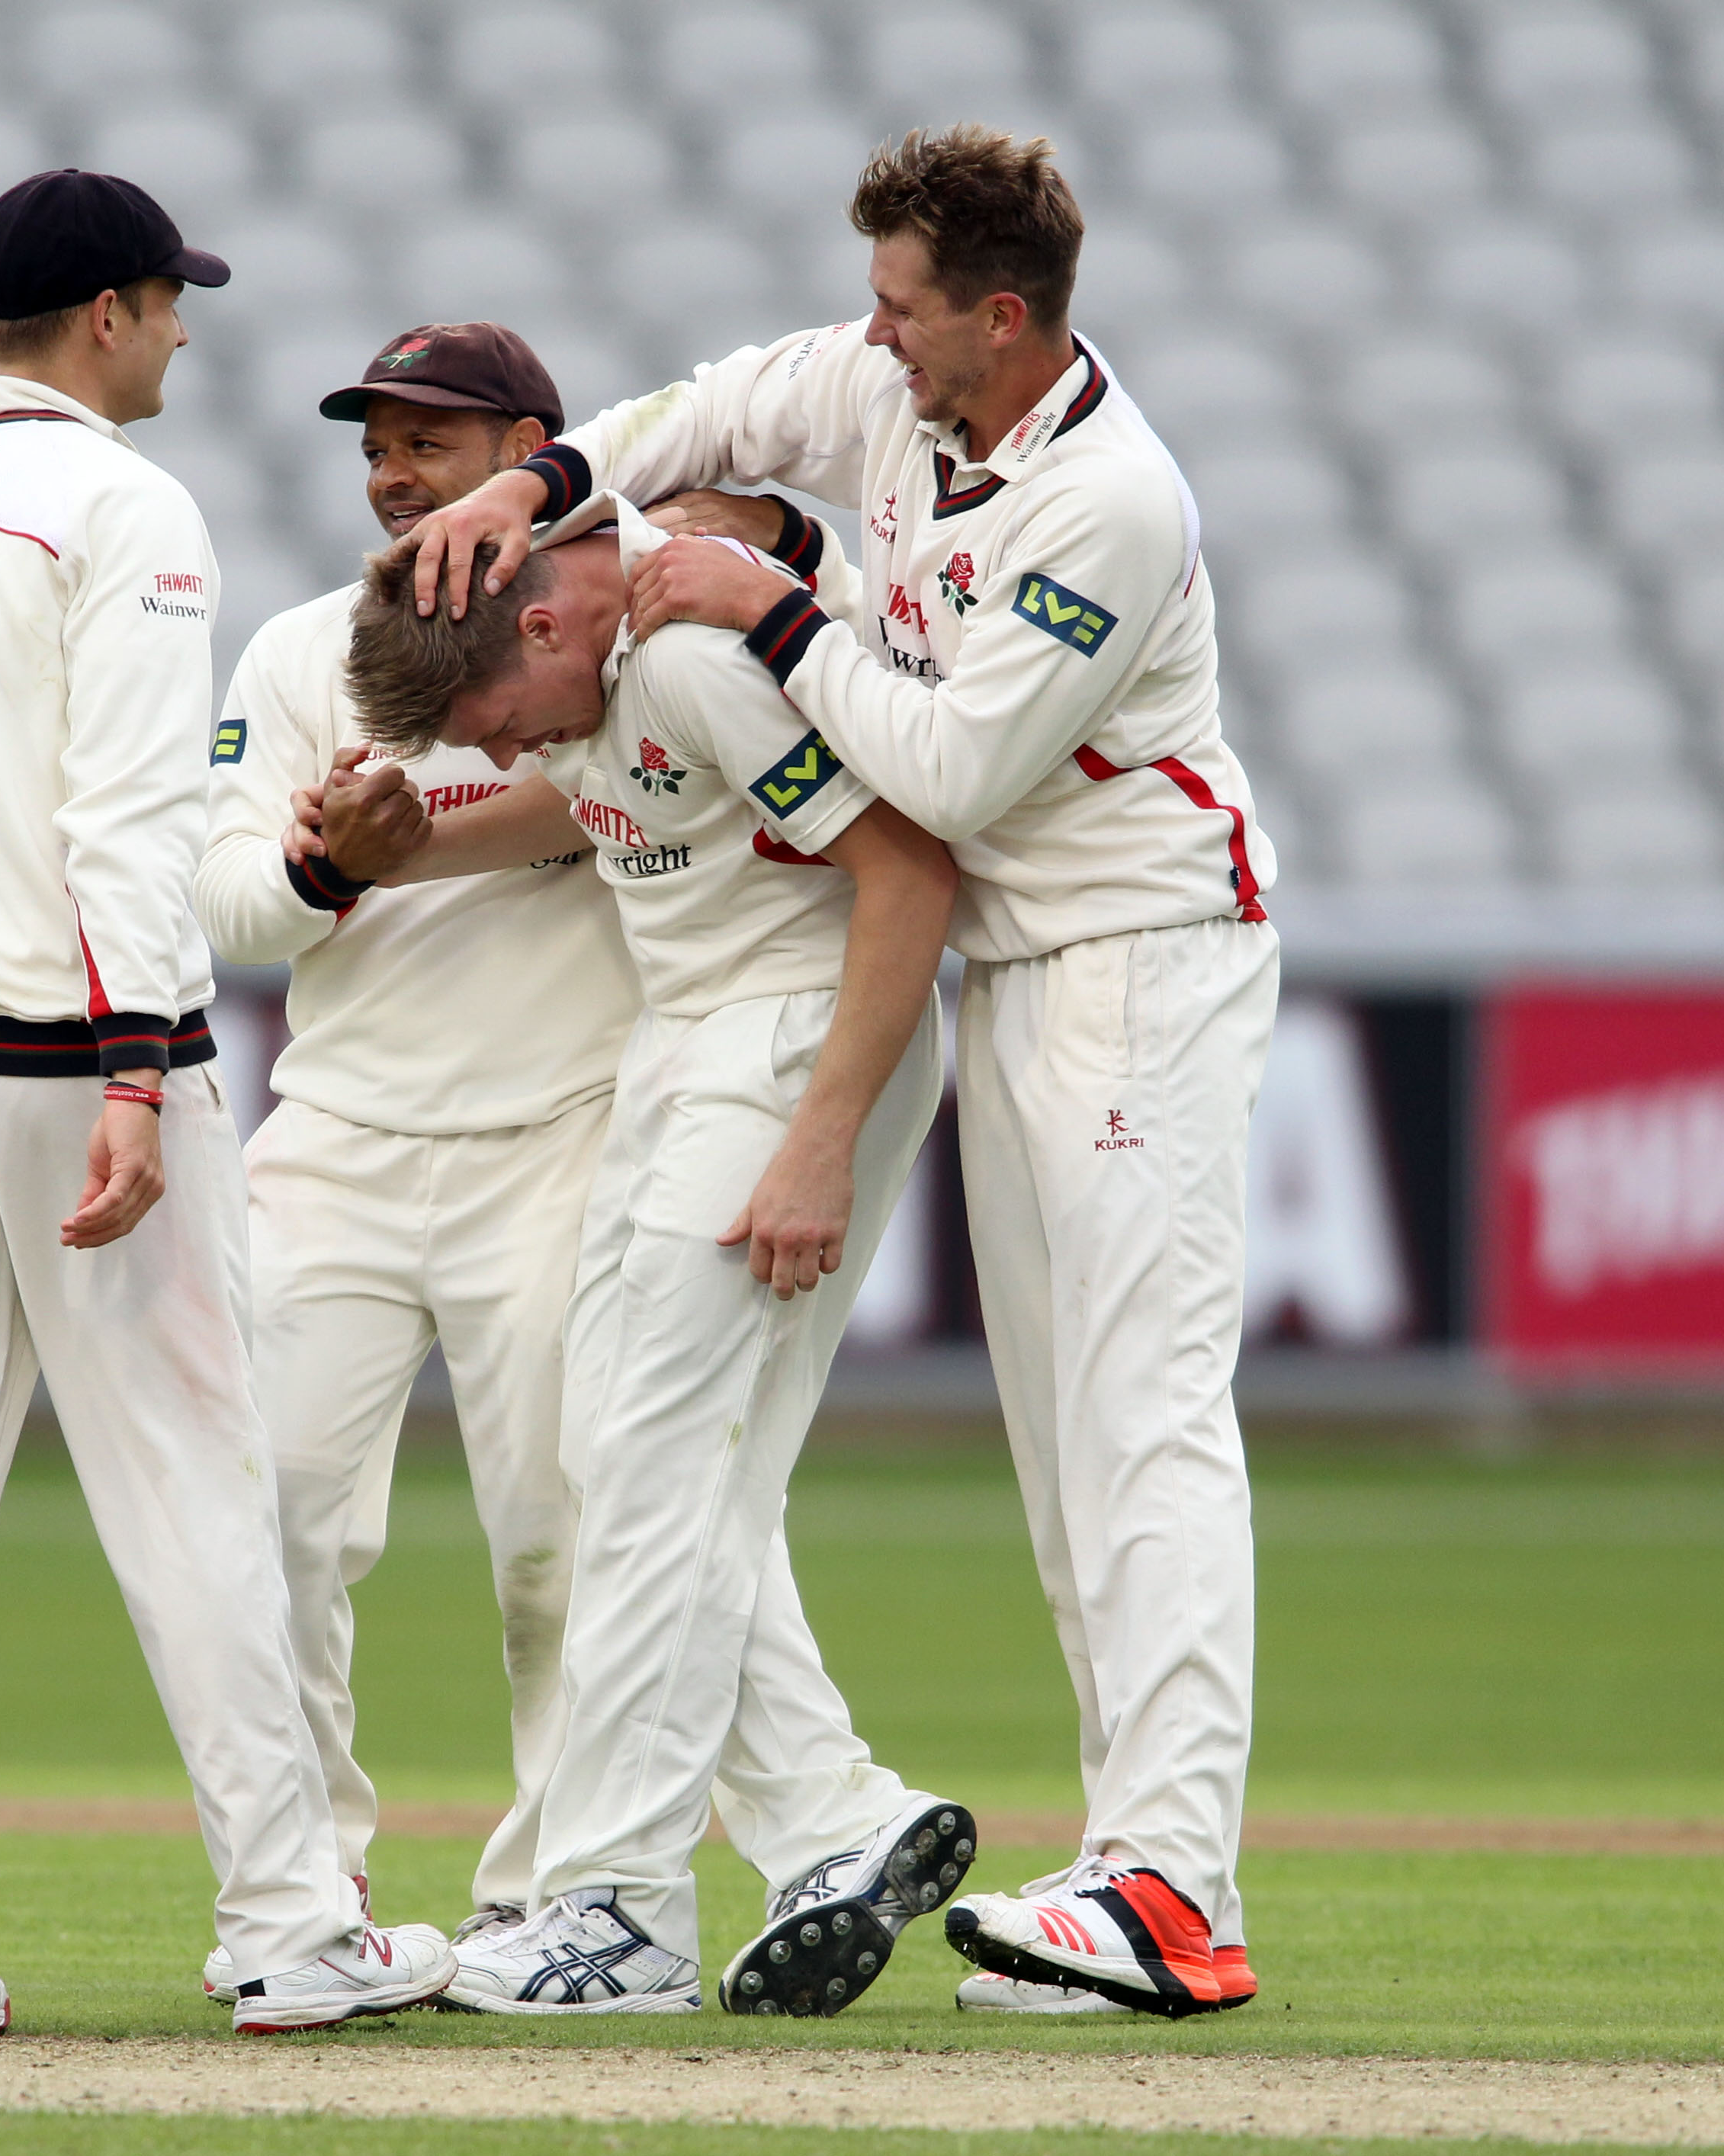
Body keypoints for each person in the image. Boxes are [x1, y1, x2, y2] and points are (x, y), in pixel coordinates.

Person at [405, 127, 1275, 2020]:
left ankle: (1174, 1883)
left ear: (1003, 316)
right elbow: (701, 412)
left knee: (1138, 1413)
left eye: (900, 308)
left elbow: (951, 776)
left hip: (1139, 950)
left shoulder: (1112, 500)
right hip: (1018, 967)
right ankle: (1103, 1869)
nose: (869, 337)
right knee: (1064, 1441)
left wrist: (773, 604)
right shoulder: (901, 392)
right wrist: (540, 484)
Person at [0, 168, 451, 2042]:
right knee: (195, 1484)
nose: (179, 332)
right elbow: (131, 820)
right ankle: (290, 1923)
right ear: (104, 316)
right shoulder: (122, 504)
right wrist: (140, 1068)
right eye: (168, 303)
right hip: (64, 1045)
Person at [191, 322, 872, 1972]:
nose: (391, 476)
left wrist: (772, 532)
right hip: (338, 1138)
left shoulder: (623, 641)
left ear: (528, 457)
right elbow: (222, 907)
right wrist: (329, 869)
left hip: (566, 1127)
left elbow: (726, 740)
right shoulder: (306, 651)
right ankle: (309, 1897)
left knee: (567, 1546)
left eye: (428, 444)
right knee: (266, 1526)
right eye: (375, 448)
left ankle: (556, 1900)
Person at [335, 489, 974, 2018]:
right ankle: (834, 1816)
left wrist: (818, 1138)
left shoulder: (685, 661)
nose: (507, 752)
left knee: (660, 1468)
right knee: (615, 1459)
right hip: (685, 1046)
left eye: (501, 721)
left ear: (544, 621)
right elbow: (600, 800)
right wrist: (395, 854)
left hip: (788, 1043)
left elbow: (910, 875)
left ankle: (617, 1908)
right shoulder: (585, 687)